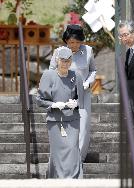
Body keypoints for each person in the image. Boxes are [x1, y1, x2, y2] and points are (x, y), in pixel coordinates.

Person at [49, 24, 97, 162]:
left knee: (83, 126)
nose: (74, 45)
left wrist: (88, 83)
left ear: (81, 40)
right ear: (66, 41)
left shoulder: (88, 51)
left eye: (77, 42)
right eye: (70, 42)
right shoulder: (59, 52)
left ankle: (78, 160)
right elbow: (51, 70)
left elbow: (93, 70)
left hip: (83, 94)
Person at [36, 46, 84, 178]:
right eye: (63, 60)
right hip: (55, 120)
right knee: (57, 152)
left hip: (73, 119)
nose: (65, 63)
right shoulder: (48, 75)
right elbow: (39, 100)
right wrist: (54, 104)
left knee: (72, 149)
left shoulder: (76, 76)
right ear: (57, 60)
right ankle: (57, 180)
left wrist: (76, 103)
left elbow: (82, 99)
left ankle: (73, 180)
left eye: (68, 61)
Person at [118, 20, 134, 176]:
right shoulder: (129, 52)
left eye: (125, 35)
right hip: (132, 101)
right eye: (121, 36)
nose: (123, 39)